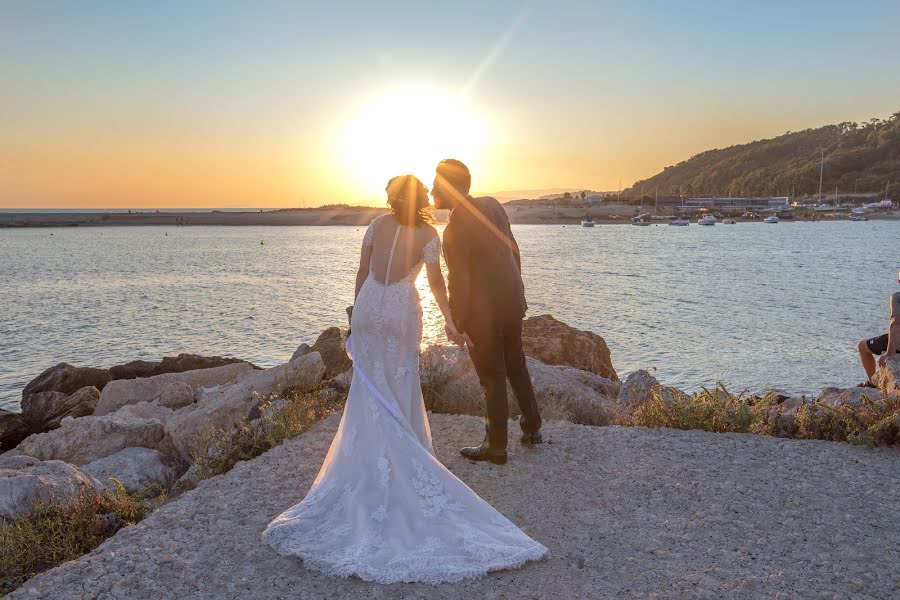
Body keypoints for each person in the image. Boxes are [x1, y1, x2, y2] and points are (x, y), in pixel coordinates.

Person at [262, 174, 548, 584]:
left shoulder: (377, 225)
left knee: (368, 386)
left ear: (392, 198)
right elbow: (436, 283)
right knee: (402, 381)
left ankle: (371, 456)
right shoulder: (433, 232)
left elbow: (362, 272)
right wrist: (450, 322)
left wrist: (355, 317)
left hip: (369, 307)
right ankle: (421, 448)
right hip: (401, 311)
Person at [433, 159, 542, 465]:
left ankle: (495, 445)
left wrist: (458, 322)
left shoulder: (453, 230)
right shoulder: (493, 205)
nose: (430, 191)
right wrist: (516, 290)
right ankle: (532, 427)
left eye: (434, 185)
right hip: (512, 300)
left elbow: (459, 281)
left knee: (491, 377)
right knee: (516, 364)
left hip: (484, 312)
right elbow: (514, 249)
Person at [857, 276, 900, 387]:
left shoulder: (897, 297)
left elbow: (896, 323)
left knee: (862, 346)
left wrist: (889, 353)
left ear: (899, 281)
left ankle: (874, 383)